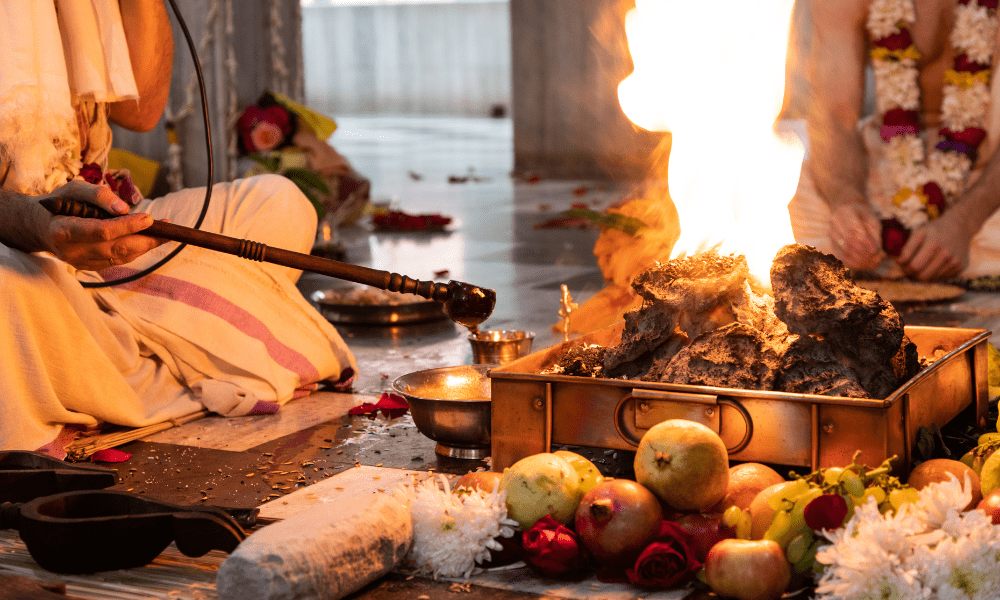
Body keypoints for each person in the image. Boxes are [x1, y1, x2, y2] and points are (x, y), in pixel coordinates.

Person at [0, 1, 356, 453]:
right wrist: (35, 223)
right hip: (16, 240)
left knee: (280, 205)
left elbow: (141, 110)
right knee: (5, 285)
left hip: (97, 212)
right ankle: (162, 357)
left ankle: (110, 362)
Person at [788, 0, 1000, 281]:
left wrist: (966, 221)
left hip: (988, 165)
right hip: (888, 155)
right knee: (783, 218)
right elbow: (835, 115)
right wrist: (847, 202)